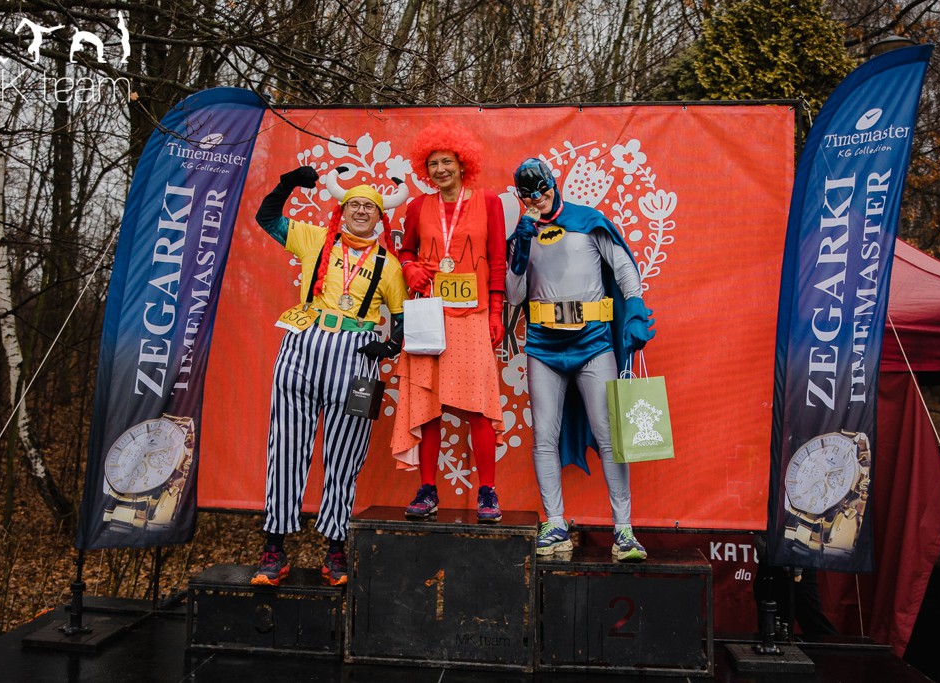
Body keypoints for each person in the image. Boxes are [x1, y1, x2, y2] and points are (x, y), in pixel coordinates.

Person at [251, 164, 408, 587]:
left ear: (380, 217)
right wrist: (285, 183)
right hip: (302, 347)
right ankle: (274, 548)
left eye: (370, 207)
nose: (361, 211)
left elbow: (403, 316)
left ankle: (335, 550)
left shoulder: (389, 266)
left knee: (346, 456)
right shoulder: (315, 238)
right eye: (355, 204)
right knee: (285, 447)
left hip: (357, 359)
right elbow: (266, 218)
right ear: (343, 209)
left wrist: (390, 346)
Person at [506, 157, 655, 561]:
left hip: (593, 343)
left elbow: (623, 268)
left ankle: (624, 530)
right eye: (528, 193)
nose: (537, 197)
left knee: (610, 437)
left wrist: (635, 306)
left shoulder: (587, 220)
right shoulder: (523, 233)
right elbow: (515, 296)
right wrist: (520, 249)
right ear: (521, 197)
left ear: (553, 184)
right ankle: (555, 523)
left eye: (542, 188)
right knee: (544, 437)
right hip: (544, 347)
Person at [391, 122, 507, 522]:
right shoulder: (417, 206)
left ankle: (488, 492)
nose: (440, 169)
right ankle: (427, 490)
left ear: (462, 163)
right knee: (427, 405)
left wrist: (496, 312)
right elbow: (405, 251)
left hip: (473, 316)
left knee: (479, 408)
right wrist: (409, 269)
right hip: (429, 313)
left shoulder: (489, 202)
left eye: (446, 161)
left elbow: (497, 261)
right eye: (432, 164)